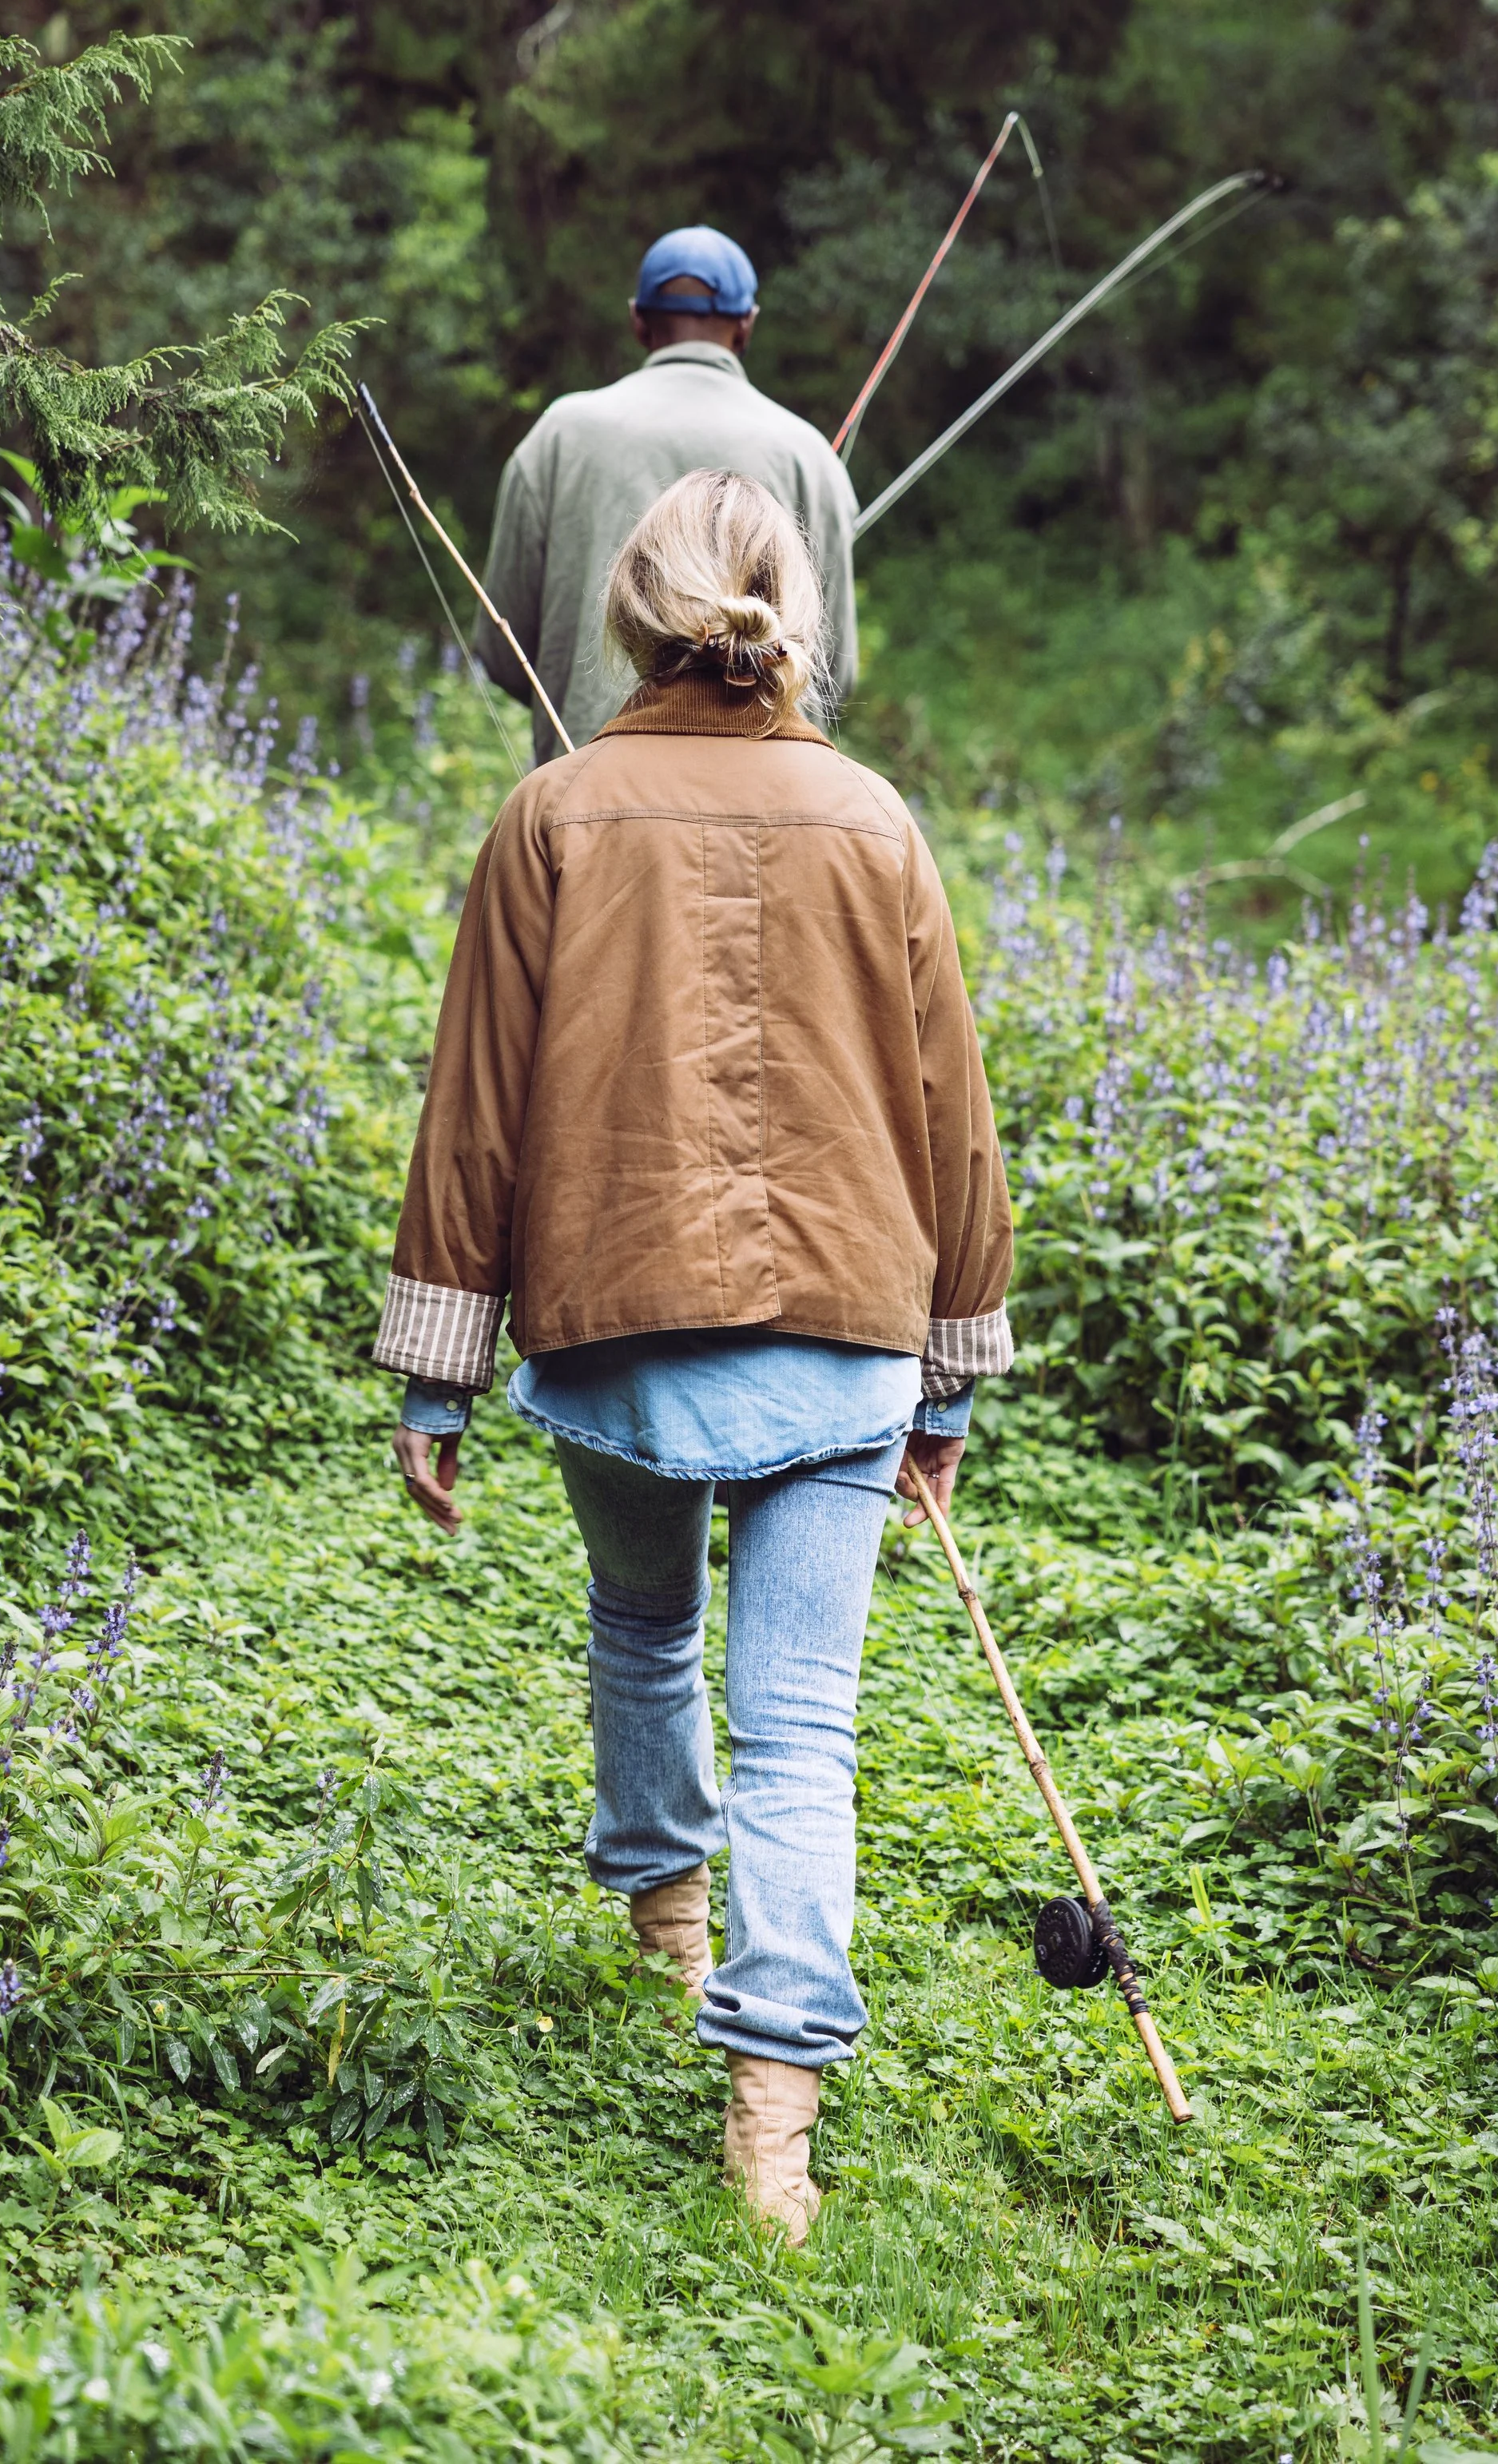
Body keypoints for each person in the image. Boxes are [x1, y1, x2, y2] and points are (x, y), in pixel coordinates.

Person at [374, 471, 1013, 2243]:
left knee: (643, 1623)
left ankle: (666, 1922)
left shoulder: (551, 809)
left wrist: (436, 1367)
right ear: (789, 608)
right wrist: (948, 1370)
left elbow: (476, 1106)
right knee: (803, 1725)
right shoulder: (872, 817)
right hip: (843, 1329)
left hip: (612, 1327)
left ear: (624, 612)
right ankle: (771, 2127)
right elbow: (950, 1111)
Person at [474, 226, 860, 762]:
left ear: (639, 320)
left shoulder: (559, 435)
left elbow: (503, 651)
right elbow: (831, 674)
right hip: (778, 804)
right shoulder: (807, 454)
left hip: (589, 796)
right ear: (746, 325)